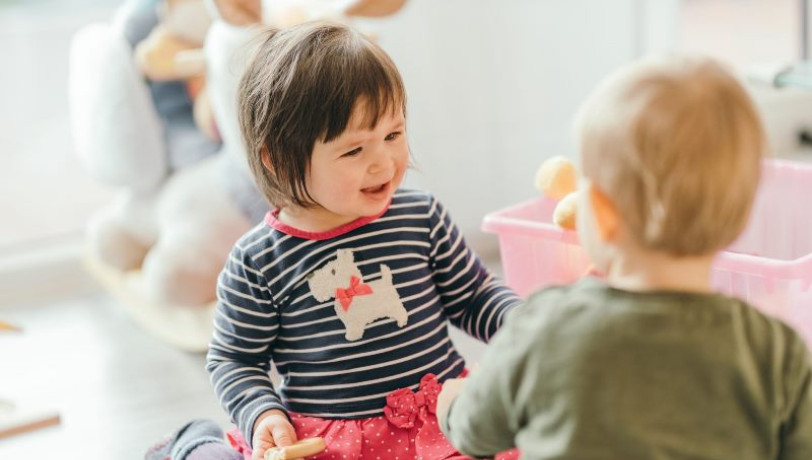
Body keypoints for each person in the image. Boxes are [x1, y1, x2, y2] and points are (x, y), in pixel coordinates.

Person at [146, 20, 520, 460]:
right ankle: (193, 443)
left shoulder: (421, 217)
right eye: (354, 150)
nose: (384, 163)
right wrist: (264, 416)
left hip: (439, 425)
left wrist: (523, 325)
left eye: (393, 135)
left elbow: (473, 296)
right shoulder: (258, 262)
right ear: (278, 158)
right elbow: (234, 360)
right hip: (330, 442)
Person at [437, 55, 812, 459]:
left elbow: (476, 434)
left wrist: (453, 401)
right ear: (739, 217)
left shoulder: (544, 326)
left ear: (596, 211)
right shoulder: (775, 351)